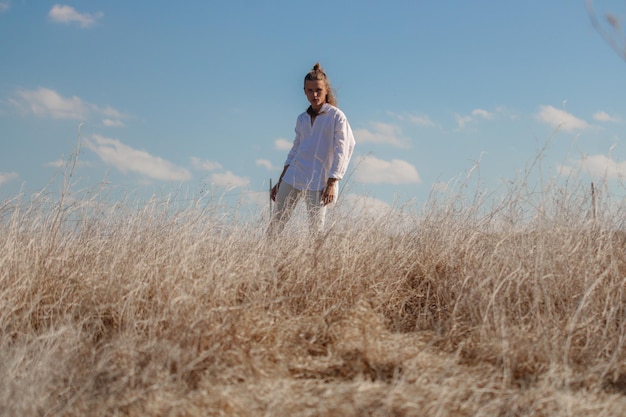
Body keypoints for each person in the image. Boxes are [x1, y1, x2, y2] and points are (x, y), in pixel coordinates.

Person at [267, 62, 356, 236]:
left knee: (316, 230)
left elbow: (344, 148)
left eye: (318, 90)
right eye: (310, 90)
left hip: (319, 180)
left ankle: (316, 263)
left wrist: (332, 182)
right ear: (304, 91)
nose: (314, 95)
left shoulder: (336, 116)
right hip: (294, 175)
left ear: (326, 90)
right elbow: (294, 151)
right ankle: (266, 260)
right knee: (275, 224)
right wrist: (280, 180)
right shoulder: (302, 119)